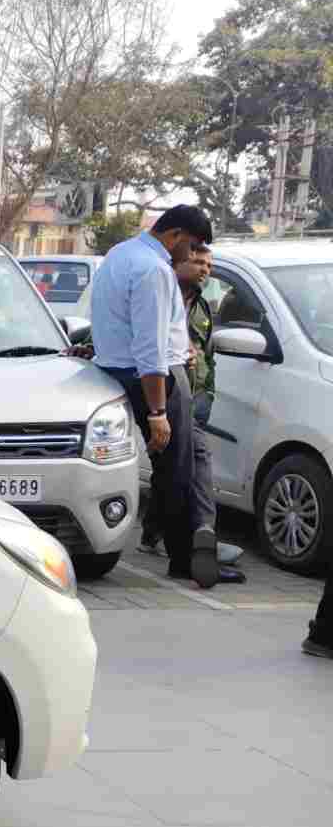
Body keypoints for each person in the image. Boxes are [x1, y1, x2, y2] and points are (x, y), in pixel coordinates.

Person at [85, 204, 218, 588]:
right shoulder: (154, 269)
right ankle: (183, 558)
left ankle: (189, 544)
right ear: (175, 236)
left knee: (183, 460)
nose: (192, 255)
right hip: (155, 380)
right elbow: (150, 347)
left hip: (118, 371)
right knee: (177, 470)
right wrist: (158, 411)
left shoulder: (120, 254)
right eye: (192, 246)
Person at [139, 245, 246, 578]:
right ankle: (202, 535)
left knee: (172, 466)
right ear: (178, 263)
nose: (205, 269)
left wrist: (207, 392)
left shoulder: (202, 306)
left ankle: (155, 533)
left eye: (209, 265)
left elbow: (207, 354)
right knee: (196, 461)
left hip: (193, 398)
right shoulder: (158, 295)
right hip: (162, 394)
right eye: (198, 262)